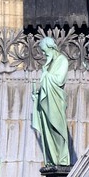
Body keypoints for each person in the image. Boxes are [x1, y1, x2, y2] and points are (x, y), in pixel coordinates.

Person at [30, 37, 71, 168]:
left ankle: (61, 158)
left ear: (51, 47)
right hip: (47, 102)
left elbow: (58, 81)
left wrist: (45, 73)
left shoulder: (62, 60)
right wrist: (37, 94)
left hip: (56, 102)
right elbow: (46, 84)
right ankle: (53, 158)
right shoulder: (51, 62)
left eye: (44, 51)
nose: (43, 54)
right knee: (48, 131)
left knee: (57, 129)